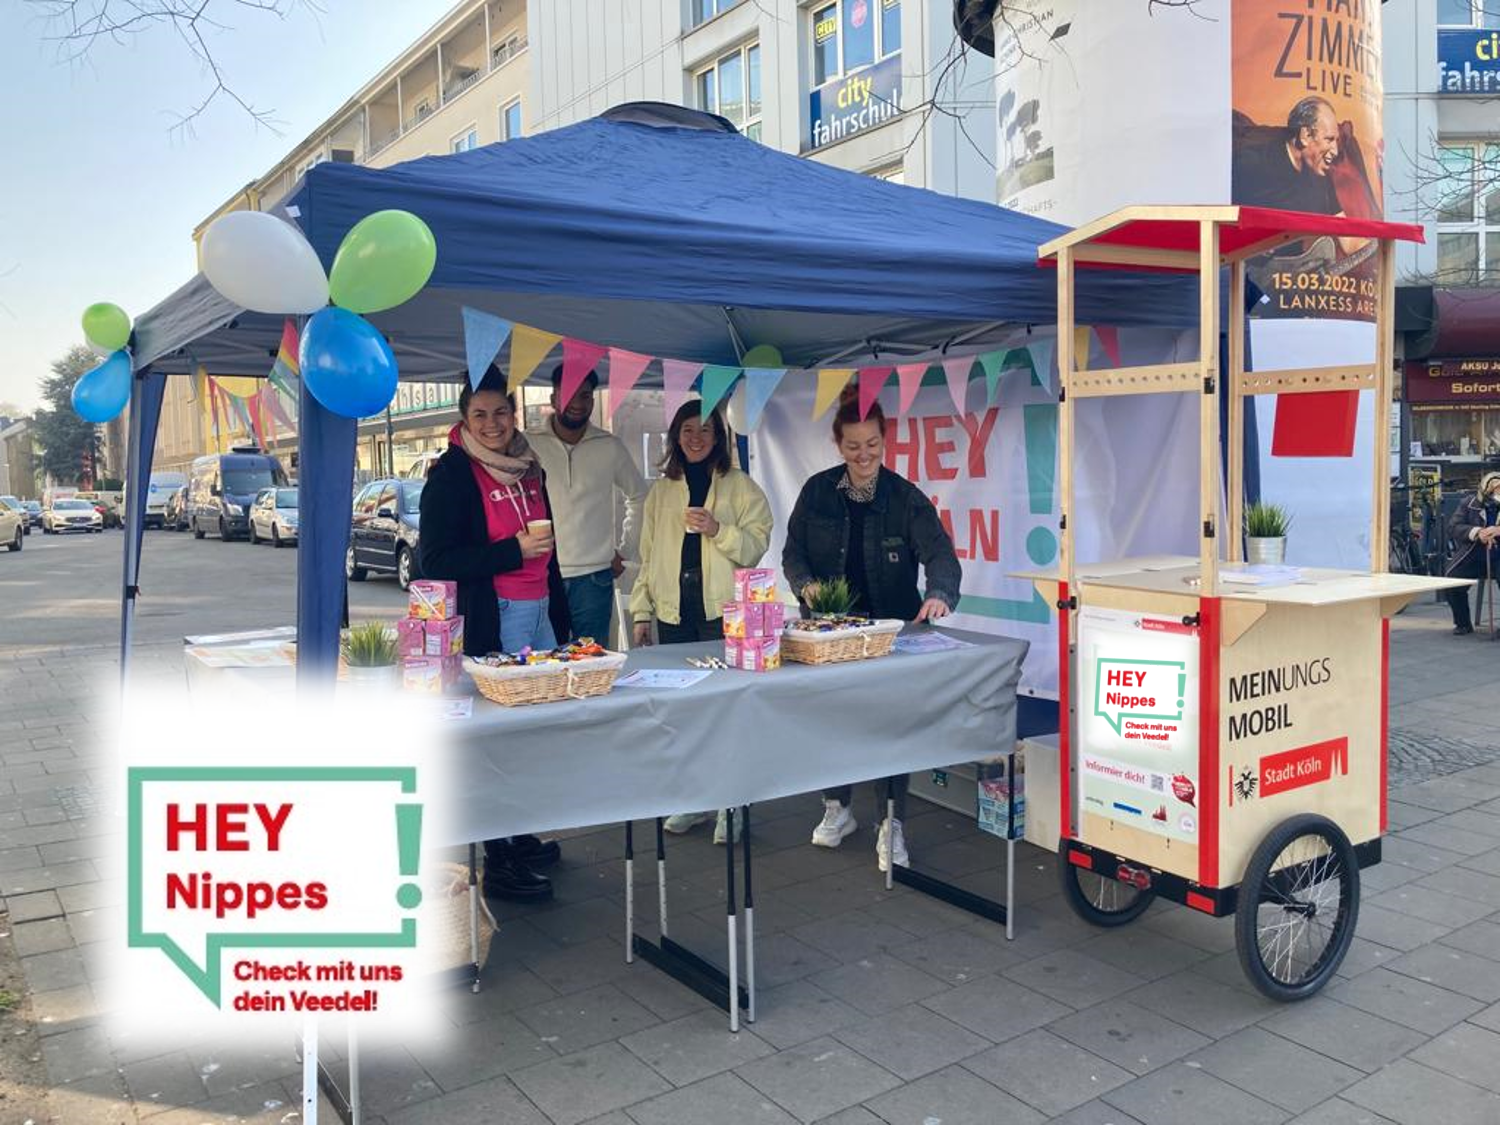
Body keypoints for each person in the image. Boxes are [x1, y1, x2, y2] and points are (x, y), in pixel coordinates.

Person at [782, 387, 962, 871]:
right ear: (838, 445)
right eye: (853, 446)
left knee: (890, 729)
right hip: (829, 635)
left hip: (891, 635)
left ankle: (891, 824)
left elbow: (940, 553)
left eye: (872, 445)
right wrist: (806, 584)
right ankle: (837, 809)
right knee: (833, 721)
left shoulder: (904, 498)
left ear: (885, 441)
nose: (864, 456)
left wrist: (940, 593)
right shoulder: (817, 491)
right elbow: (792, 552)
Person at [420, 368, 570, 902]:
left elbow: (548, 550)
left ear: (515, 414)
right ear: (464, 419)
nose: (492, 424)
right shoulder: (453, 475)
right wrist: (511, 553)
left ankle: (518, 832)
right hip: (495, 616)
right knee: (498, 737)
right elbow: (432, 560)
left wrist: (563, 617)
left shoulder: (530, 468)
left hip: (540, 611)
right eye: (480, 414)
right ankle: (498, 858)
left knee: (530, 733)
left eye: (501, 412)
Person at [632, 401, 772, 843]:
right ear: (675, 436)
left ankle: (733, 803)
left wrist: (717, 529)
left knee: (725, 706)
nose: (695, 437)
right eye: (687, 429)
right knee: (683, 708)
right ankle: (693, 799)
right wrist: (641, 611)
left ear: (720, 437)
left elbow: (754, 548)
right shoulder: (662, 491)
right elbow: (648, 555)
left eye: (706, 429)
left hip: (722, 612)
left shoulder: (741, 487)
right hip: (673, 609)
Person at [527, 365, 647, 644]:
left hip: (594, 578)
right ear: (553, 398)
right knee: (543, 663)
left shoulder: (610, 446)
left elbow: (640, 496)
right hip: (540, 573)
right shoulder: (528, 444)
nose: (578, 404)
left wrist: (625, 550)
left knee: (592, 666)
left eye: (586, 396)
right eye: (569, 395)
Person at [1232, 96, 1343, 216]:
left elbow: (1340, 223)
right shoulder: (1252, 162)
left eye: (1336, 141)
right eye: (1329, 139)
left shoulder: (1320, 170)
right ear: (1306, 135)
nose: (1335, 151)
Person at [1443, 471, 1500, 636]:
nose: (1497, 491)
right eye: (1495, 488)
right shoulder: (1470, 503)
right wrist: (1477, 532)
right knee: (1452, 578)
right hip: (1474, 553)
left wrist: (1497, 531)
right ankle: (1462, 623)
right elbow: (1453, 527)